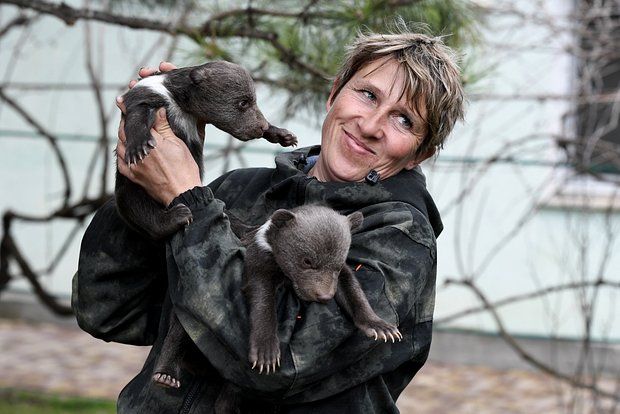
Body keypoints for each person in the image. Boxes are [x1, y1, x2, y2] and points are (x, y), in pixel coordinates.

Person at [72, 22, 464, 413]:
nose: (371, 125)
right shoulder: (238, 190)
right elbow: (109, 311)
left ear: (419, 153)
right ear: (334, 94)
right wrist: (148, 174)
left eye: (404, 120)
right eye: (367, 94)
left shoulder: (398, 238)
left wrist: (185, 192)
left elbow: (276, 367)